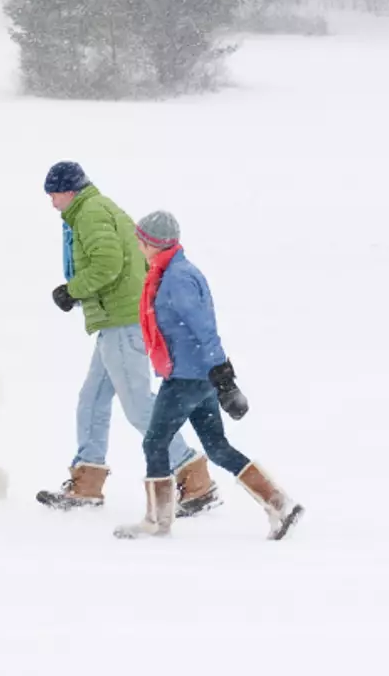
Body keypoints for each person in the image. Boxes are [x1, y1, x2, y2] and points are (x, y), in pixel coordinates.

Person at [36, 161, 219, 514]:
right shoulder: (94, 208)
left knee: (137, 404)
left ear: (69, 191)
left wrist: (73, 290)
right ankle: (87, 480)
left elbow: (107, 263)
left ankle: (193, 475)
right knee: (92, 399)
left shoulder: (90, 212)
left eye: (54, 194)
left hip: (122, 320)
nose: (52, 202)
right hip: (117, 319)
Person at [114, 212, 305, 540]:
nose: (137, 243)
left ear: (153, 243)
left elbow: (204, 328)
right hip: (196, 375)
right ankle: (279, 503)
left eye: (140, 239)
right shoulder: (171, 271)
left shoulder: (177, 279)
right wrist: (215, 375)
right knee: (217, 447)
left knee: (155, 441)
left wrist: (223, 376)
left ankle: (157, 522)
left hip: (187, 377)